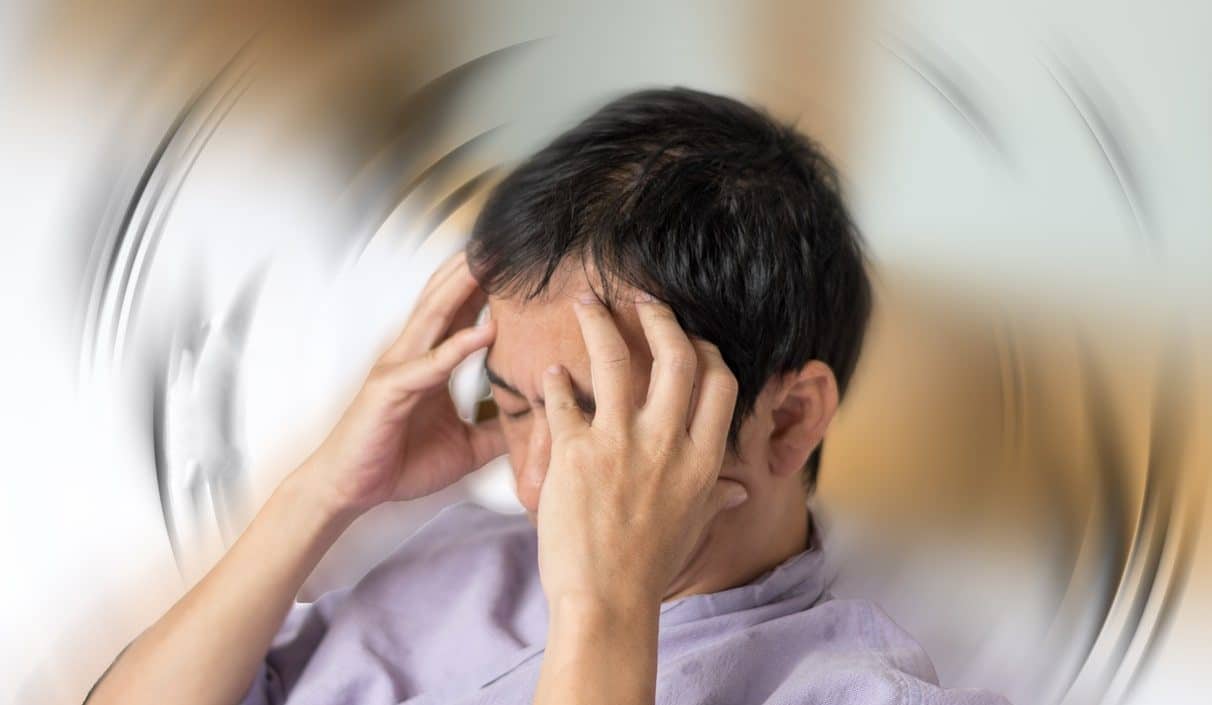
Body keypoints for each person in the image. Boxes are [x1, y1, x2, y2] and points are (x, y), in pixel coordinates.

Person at [84, 87, 1010, 705]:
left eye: (595, 417)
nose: (534, 487)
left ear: (791, 417)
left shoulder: (849, 688)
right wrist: (321, 493)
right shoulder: (460, 559)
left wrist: (607, 612)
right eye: (517, 406)